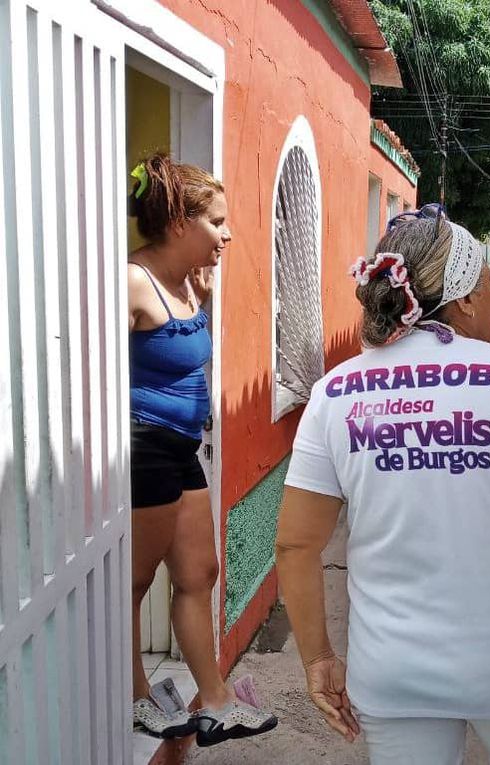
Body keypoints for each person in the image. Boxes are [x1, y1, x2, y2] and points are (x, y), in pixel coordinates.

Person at [275, 207, 490, 765]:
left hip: (394, 672)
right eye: (486, 286)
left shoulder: (335, 393)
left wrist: (319, 659)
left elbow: (295, 544)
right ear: (465, 301)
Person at [128, 154, 277, 745]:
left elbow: (184, 361)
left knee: (199, 571)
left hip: (183, 448)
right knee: (134, 585)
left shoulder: (189, 283)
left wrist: (207, 304)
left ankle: (214, 702)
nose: (228, 233)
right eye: (216, 221)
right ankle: (139, 698)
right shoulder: (132, 281)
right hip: (145, 453)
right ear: (177, 223)